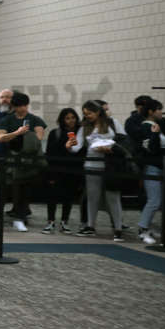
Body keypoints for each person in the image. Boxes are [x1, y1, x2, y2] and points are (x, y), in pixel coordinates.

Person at [68, 100, 124, 240]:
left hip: (111, 165)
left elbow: (123, 141)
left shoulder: (112, 123)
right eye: (85, 114)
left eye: (90, 113)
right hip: (91, 164)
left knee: (113, 197)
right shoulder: (84, 127)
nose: (87, 116)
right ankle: (90, 225)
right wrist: (69, 145)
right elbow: (76, 147)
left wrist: (111, 149)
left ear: (98, 112)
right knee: (92, 197)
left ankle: (118, 228)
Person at [0, 91, 46, 232]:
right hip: (9, 159)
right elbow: (1, 137)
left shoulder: (35, 119)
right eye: (18, 106)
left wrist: (24, 135)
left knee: (22, 190)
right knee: (2, 189)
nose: (21, 109)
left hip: (27, 161)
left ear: (27, 105)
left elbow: (39, 136)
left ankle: (20, 217)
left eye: (23, 105)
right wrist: (17, 133)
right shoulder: (7, 120)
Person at [135, 99, 165, 246]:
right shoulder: (147, 128)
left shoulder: (155, 127)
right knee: (154, 201)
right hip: (152, 167)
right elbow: (152, 149)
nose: (161, 112)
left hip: (158, 167)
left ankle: (146, 227)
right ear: (151, 112)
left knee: (156, 200)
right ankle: (142, 230)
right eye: (159, 109)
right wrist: (155, 135)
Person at [43, 108, 83, 234]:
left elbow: (81, 153)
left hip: (72, 170)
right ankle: (50, 221)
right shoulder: (56, 133)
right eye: (67, 118)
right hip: (56, 169)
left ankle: (65, 222)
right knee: (52, 196)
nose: (71, 121)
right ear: (62, 120)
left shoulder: (80, 133)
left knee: (68, 197)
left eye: (73, 117)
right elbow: (50, 153)